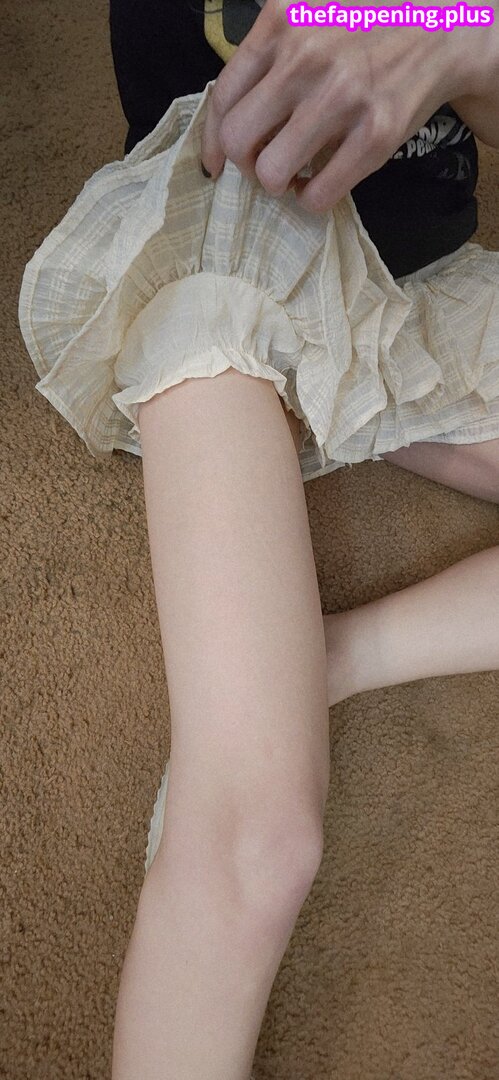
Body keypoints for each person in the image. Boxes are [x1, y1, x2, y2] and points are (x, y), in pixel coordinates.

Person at [17, 0, 499, 1076]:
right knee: (262, 832)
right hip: (224, 251)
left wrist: (463, 36)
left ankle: (328, 655)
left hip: (415, 288)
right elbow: (250, 846)